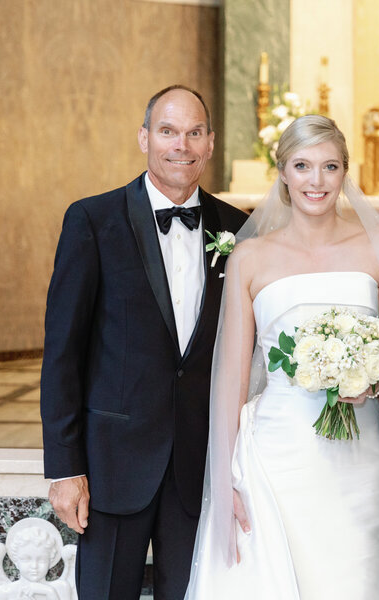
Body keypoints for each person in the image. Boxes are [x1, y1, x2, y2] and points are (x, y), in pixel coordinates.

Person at [185, 114, 379, 598]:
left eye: (330, 167)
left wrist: (372, 382)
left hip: (359, 457)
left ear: (344, 173)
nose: (317, 181)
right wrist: (224, 479)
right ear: (283, 172)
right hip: (278, 454)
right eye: (303, 165)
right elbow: (230, 378)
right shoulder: (249, 258)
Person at [40, 85, 247, 598]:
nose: (182, 145)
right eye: (168, 131)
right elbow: (63, 352)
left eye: (195, 132)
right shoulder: (92, 220)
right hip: (112, 467)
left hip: (199, 471)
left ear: (211, 143)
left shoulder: (240, 230)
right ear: (144, 137)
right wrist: (66, 469)